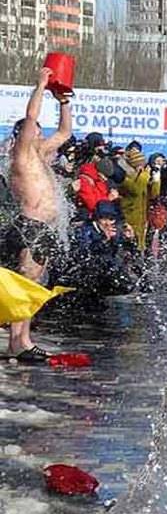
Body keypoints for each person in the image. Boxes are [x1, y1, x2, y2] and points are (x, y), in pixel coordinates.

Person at [3, 65, 72, 361]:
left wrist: (64, 101)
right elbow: (31, 117)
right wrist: (41, 85)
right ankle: (18, 342)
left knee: (32, 285)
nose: (41, 136)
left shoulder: (40, 155)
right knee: (24, 283)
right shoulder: (21, 154)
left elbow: (65, 132)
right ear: (24, 135)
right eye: (35, 133)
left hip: (43, 227)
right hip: (29, 225)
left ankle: (22, 340)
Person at [117, 141, 157, 251]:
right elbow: (136, 190)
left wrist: (156, 180)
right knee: (127, 249)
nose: (141, 166)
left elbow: (154, 194)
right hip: (129, 218)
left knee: (138, 249)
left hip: (141, 219)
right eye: (139, 164)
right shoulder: (126, 178)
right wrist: (144, 175)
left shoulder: (142, 176)